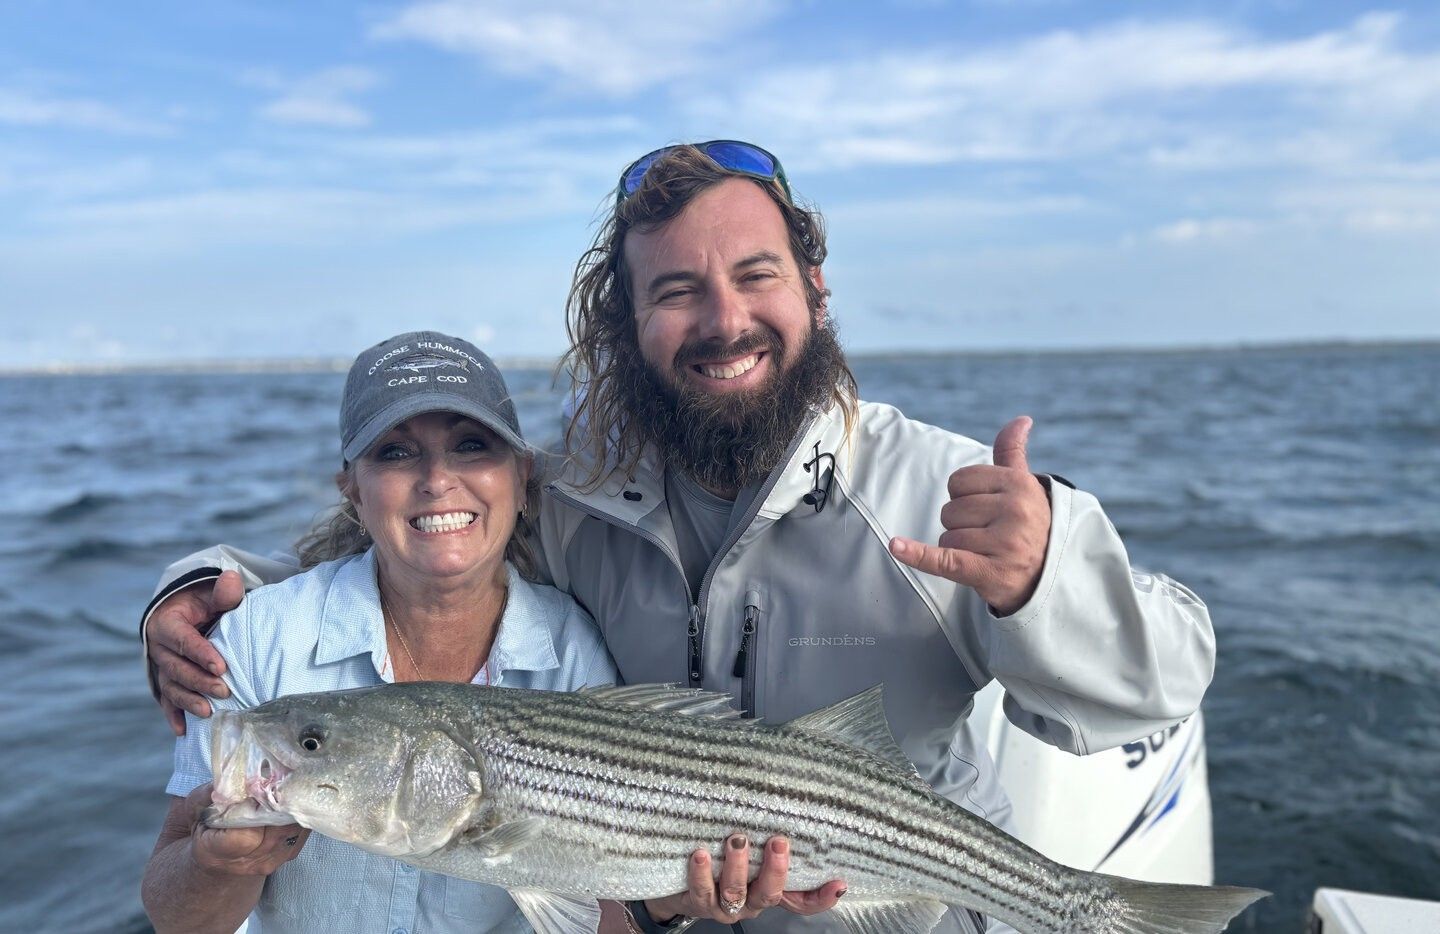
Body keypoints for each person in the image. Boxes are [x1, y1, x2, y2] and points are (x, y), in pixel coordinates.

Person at [143, 142, 1218, 934]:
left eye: (755, 275)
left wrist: (1041, 584)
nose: (722, 317)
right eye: (674, 291)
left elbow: (1168, 679)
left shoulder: (945, 487)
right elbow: (424, 548)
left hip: (898, 904)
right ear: (627, 327)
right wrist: (209, 589)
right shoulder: (582, 497)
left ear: (815, 289)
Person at [141, 332, 730, 934]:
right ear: (352, 487)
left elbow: (594, 917)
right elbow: (178, 919)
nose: (437, 479)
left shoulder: (573, 648)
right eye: (395, 453)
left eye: (471, 445)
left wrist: (664, 903)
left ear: (521, 476)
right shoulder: (257, 639)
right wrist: (216, 865)